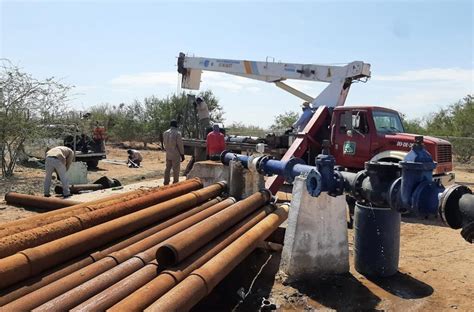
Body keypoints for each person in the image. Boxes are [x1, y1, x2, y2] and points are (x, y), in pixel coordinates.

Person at [163, 120, 185, 185]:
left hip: (168, 153)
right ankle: (175, 183)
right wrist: (182, 154)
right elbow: (180, 145)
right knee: (176, 169)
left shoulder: (165, 133)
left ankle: (166, 182)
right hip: (175, 154)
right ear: (176, 125)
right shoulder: (177, 133)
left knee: (167, 168)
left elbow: (164, 143)